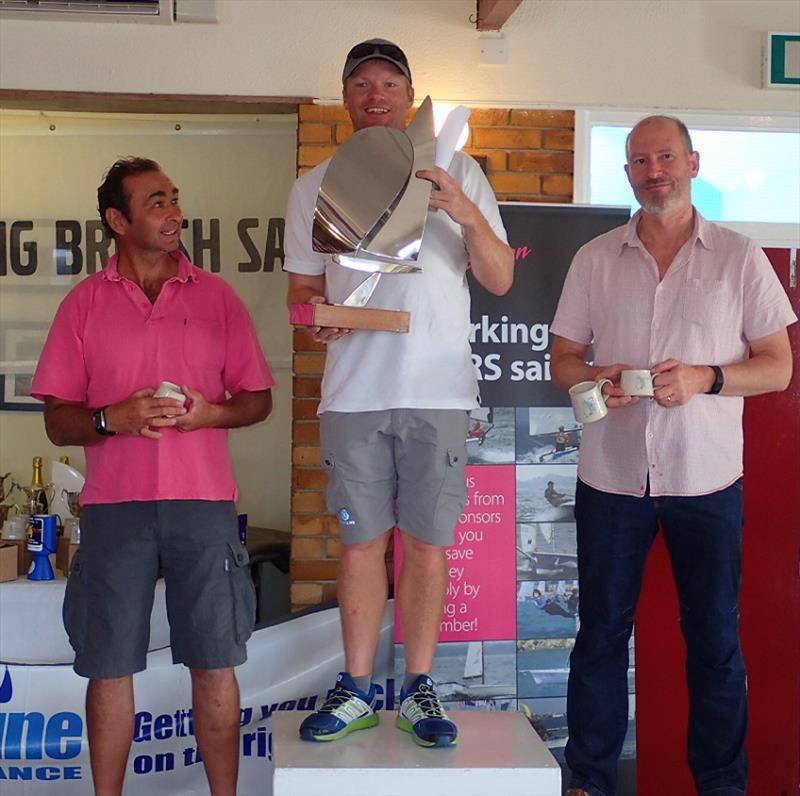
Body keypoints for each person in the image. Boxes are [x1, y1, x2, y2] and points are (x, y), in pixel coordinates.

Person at [550, 115, 796, 796]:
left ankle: (722, 786)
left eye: (665, 157)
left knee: (714, 644)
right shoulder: (595, 257)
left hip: (706, 480)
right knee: (598, 639)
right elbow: (563, 356)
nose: (653, 170)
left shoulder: (740, 256)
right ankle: (589, 784)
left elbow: (777, 368)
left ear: (693, 161)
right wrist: (589, 380)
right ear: (628, 171)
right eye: (639, 160)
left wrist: (705, 378)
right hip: (611, 478)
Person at [284, 38, 513, 748]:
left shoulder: (460, 171)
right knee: (359, 545)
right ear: (346, 99)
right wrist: (315, 323)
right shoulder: (312, 184)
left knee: (426, 544)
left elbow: (501, 278)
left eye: (389, 83)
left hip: (438, 390)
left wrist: (463, 213)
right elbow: (300, 295)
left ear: (410, 97)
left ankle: (418, 687)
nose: (375, 94)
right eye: (361, 84)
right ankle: (356, 688)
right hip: (354, 394)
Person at [30, 157, 274, 796]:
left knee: (215, 662)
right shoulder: (83, 303)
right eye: (157, 202)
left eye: (174, 199)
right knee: (108, 668)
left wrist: (210, 414)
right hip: (115, 507)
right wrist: (113, 417)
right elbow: (59, 421)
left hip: (203, 504)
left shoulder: (217, 295)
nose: (175, 214)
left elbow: (258, 399)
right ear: (118, 220)